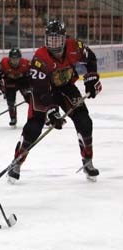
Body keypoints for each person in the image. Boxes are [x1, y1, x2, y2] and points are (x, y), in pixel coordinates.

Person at [8, 20, 101, 183]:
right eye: (50, 39)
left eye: (57, 39)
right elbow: (40, 90)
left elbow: (90, 58)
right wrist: (51, 111)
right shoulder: (40, 58)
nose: (54, 44)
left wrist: (91, 78)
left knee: (84, 122)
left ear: (65, 38)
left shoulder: (75, 46)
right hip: (43, 91)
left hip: (66, 87)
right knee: (33, 128)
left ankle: (87, 161)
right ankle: (16, 162)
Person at [0, 48, 31, 127]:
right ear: (9, 58)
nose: (15, 61)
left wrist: (31, 83)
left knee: (30, 99)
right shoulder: (3, 63)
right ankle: (13, 118)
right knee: (10, 102)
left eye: (16, 59)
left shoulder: (26, 63)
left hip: (23, 82)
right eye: (13, 59)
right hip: (10, 82)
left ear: (20, 59)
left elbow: (33, 74)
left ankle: (41, 117)